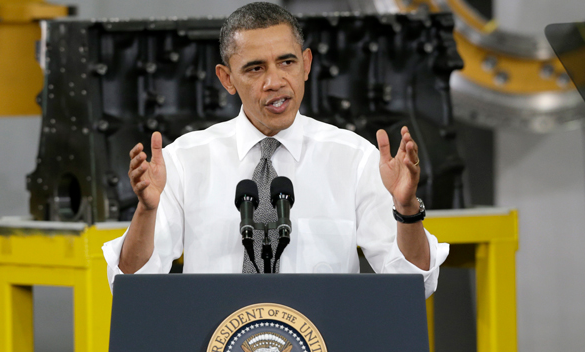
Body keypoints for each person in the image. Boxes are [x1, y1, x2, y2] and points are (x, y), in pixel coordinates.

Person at [102, 2, 448, 298]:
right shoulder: (185, 160)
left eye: (287, 63)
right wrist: (146, 212)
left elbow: (417, 283)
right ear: (226, 79)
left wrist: (406, 209)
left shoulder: (355, 158)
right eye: (255, 68)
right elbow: (131, 284)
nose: (275, 81)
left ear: (307, 64)